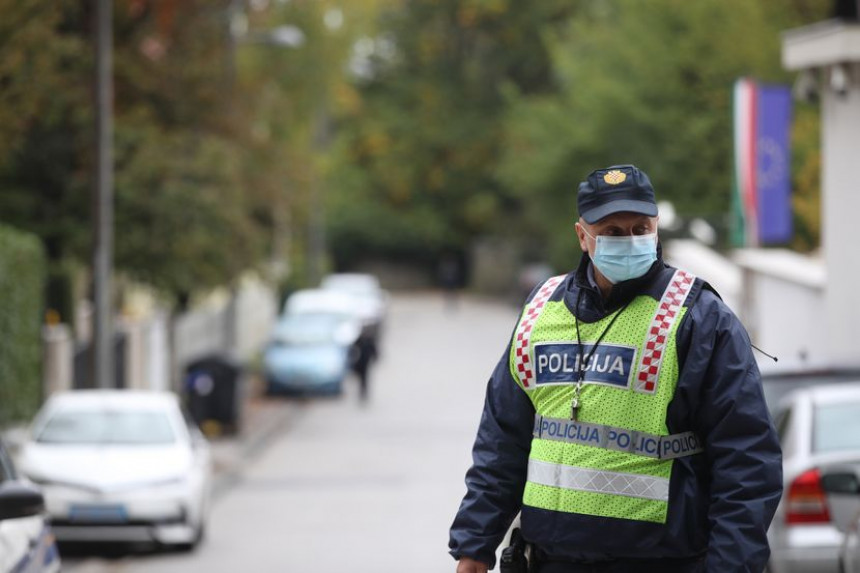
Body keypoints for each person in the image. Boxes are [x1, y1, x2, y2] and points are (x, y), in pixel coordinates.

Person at [449, 164, 782, 573]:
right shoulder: (541, 309)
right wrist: (474, 546)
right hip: (550, 561)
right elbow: (503, 442)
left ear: (657, 227)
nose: (630, 241)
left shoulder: (698, 318)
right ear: (582, 236)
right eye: (612, 232)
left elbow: (747, 461)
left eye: (640, 228)